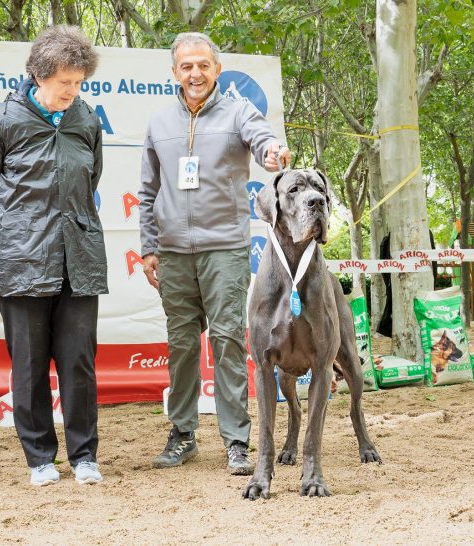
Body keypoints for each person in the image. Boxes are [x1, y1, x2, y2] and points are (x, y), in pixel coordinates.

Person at [138, 32, 291, 475]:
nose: (195, 73)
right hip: (172, 253)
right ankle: (182, 435)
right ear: (174, 73)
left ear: (217, 69)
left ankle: (237, 442)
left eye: (203, 65)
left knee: (226, 341)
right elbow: (148, 191)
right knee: (181, 345)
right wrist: (150, 247)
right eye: (186, 66)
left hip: (224, 248)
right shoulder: (159, 123)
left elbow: (262, 140)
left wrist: (272, 152)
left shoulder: (239, 111)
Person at [0, 25, 106, 487]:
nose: (73, 90)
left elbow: (91, 180)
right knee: (28, 363)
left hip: (79, 257)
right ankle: (39, 458)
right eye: (65, 82)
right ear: (38, 75)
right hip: (21, 259)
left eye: (79, 82)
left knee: (78, 362)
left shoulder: (86, 120)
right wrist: (22, 230)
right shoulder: (3, 121)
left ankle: (84, 455)